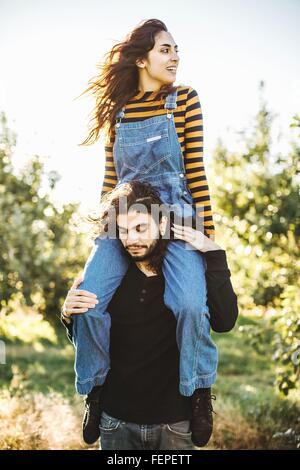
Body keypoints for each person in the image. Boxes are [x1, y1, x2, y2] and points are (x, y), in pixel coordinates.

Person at [71, 18, 219, 447]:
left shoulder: (185, 100)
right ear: (142, 59)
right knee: (90, 302)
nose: (175, 57)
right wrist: (100, 244)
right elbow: (109, 180)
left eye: (176, 50)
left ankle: (198, 390)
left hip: (179, 218)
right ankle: (96, 391)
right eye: (165, 50)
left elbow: (196, 173)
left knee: (190, 303)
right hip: (124, 219)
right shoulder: (118, 111)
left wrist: (209, 242)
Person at [62, 181, 238, 450]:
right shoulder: (108, 279)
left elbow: (225, 322)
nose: (131, 239)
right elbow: (89, 337)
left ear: (162, 224)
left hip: (175, 422)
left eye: (141, 228)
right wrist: (67, 314)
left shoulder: (186, 278)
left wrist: (213, 253)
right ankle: (93, 398)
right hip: (115, 420)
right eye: (123, 231)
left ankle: (200, 396)